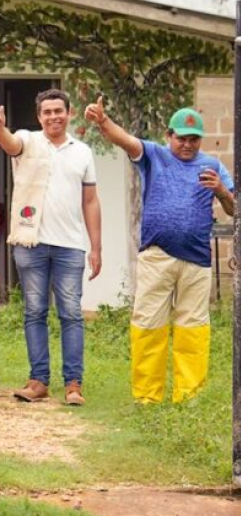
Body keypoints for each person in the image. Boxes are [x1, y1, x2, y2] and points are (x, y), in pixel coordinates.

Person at [85, 99, 234, 403]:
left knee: (192, 328)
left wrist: (220, 190)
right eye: (182, 138)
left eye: (194, 139)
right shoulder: (154, 155)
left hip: (197, 261)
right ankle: (147, 398)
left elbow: (234, 210)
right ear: (169, 136)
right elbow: (124, 139)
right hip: (157, 256)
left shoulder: (213, 167)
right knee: (148, 325)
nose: (188, 144)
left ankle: (189, 398)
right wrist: (103, 121)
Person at [0, 88, 101, 406]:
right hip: (31, 241)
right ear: (39, 117)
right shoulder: (28, 140)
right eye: (47, 112)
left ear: (69, 114)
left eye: (58, 111)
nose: (53, 116)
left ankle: (73, 385)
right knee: (35, 312)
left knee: (71, 314)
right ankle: (38, 381)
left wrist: (96, 247)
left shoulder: (82, 152)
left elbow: (90, 201)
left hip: (70, 245)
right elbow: (10, 143)